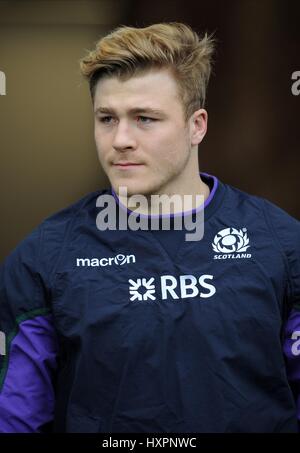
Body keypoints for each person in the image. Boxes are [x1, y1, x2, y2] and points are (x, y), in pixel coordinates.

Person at [0, 22, 299, 433]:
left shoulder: (281, 244)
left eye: (144, 118)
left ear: (197, 125)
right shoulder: (44, 257)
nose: (120, 139)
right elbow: (16, 419)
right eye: (107, 118)